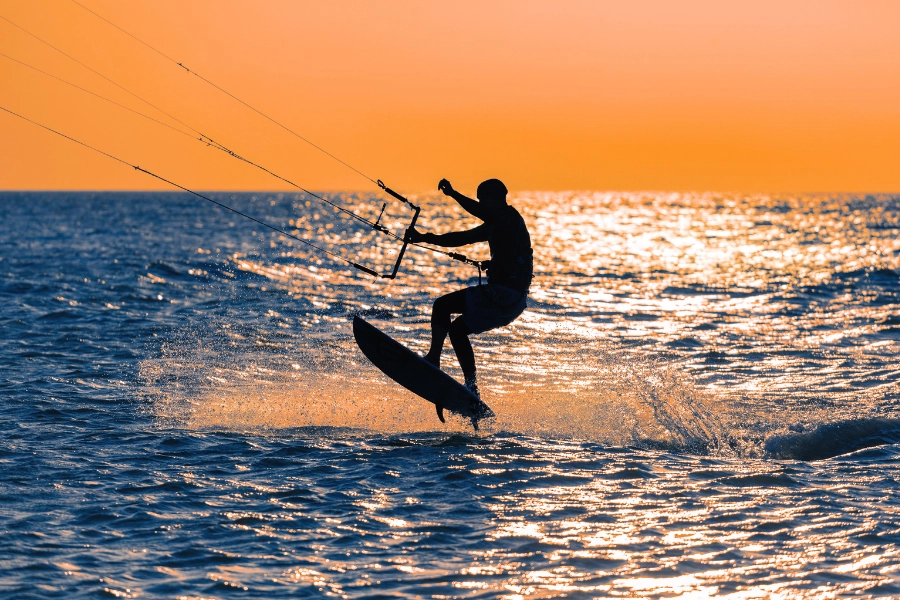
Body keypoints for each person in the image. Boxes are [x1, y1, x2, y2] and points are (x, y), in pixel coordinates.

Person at [406, 178, 533, 407]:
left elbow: (479, 211)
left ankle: (433, 359)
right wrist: (425, 238)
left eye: (482, 201)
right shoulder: (497, 224)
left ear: (494, 200)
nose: (480, 205)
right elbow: (460, 238)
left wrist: (453, 193)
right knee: (456, 331)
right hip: (511, 301)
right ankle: (471, 388)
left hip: (504, 295)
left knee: (442, 306)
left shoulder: (508, 218)